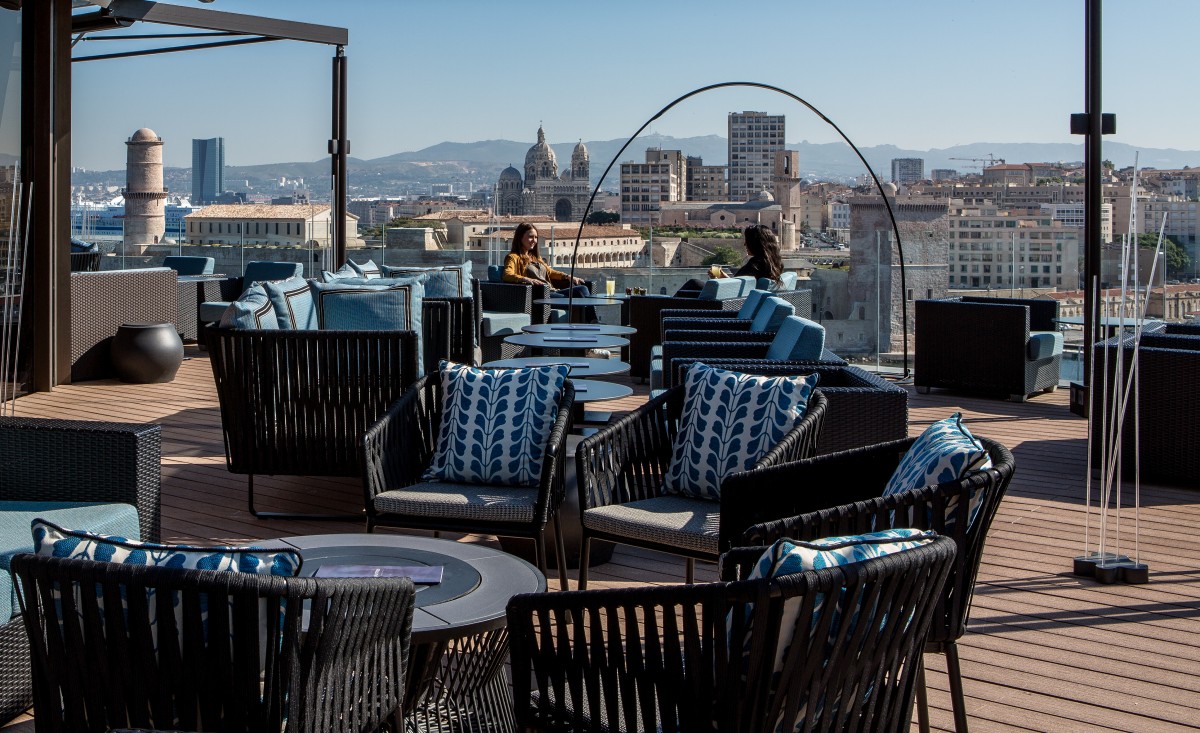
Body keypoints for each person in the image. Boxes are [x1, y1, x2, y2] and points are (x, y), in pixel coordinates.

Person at [503, 222, 599, 322]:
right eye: (531, 237)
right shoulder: (513, 257)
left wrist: (567, 276)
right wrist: (525, 279)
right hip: (540, 295)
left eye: (536, 237)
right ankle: (592, 323)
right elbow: (507, 274)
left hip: (552, 291)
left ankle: (592, 321)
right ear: (520, 237)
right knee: (578, 295)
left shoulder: (536, 258)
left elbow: (550, 272)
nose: (534, 241)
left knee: (582, 288)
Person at [674, 224, 785, 297]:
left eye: (747, 241)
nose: (745, 244)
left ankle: (664, 307)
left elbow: (736, 289)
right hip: (738, 302)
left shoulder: (755, 265)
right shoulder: (770, 264)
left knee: (694, 284)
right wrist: (722, 277)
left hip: (730, 305)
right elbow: (740, 285)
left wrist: (721, 279)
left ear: (756, 243)